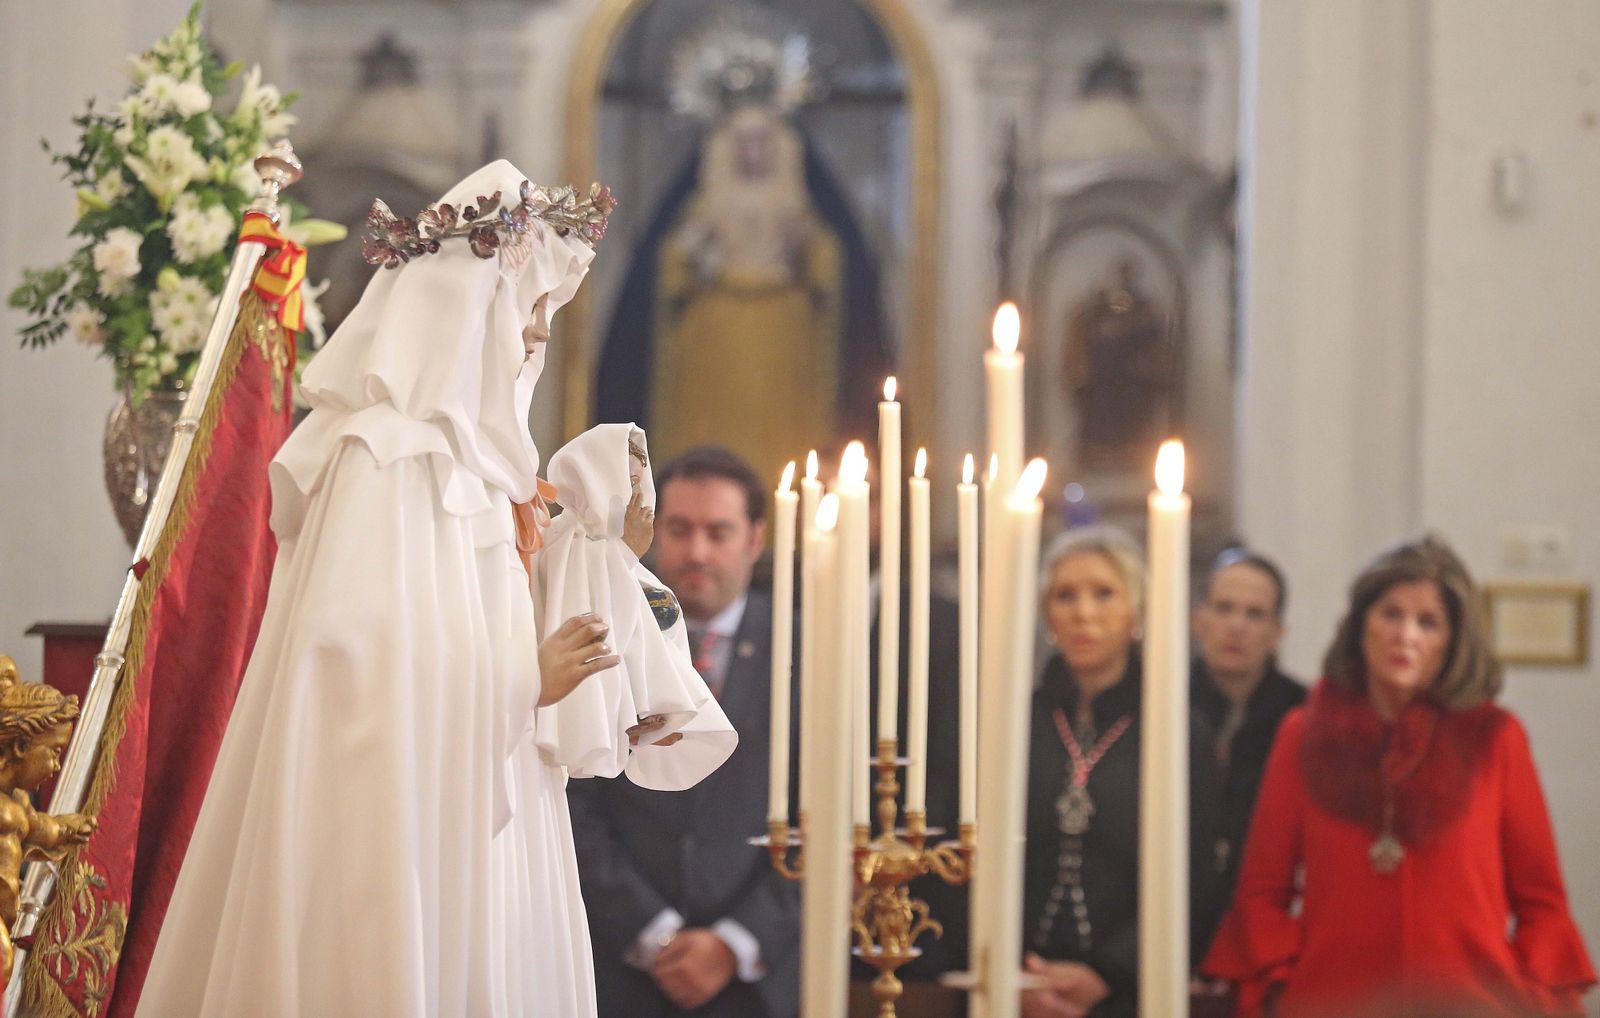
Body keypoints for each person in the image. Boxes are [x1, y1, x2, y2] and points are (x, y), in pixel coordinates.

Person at [135, 161, 693, 1018]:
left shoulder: (488, 476)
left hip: (490, 807)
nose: (538, 336)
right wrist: (520, 684)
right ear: (463, 311)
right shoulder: (387, 454)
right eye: (528, 309)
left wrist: (603, 561)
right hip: (399, 825)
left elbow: (486, 625)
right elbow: (346, 661)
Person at [1204, 536, 1596, 1017]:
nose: (1405, 636)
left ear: (1452, 640)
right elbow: (1262, 893)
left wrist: (1524, 995)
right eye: (1391, 614)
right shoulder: (1304, 733)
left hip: (1469, 1004)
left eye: (1428, 622)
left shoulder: (1496, 738)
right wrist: (1285, 985)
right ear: (1361, 625)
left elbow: (1542, 902)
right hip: (1333, 1002)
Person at [568, 445, 800, 1018]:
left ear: (755, 539)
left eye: (718, 532)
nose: (697, 552)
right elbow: (572, 793)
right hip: (615, 968)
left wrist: (734, 943)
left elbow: (836, 815)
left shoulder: (810, 647)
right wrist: (653, 934)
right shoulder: (597, 632)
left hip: (759, 980)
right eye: (678, 529)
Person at [1021, 525, 1223, 1018]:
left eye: (1104, 593)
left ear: (1137, 610)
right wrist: (1016, 972)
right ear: (1047, 612)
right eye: (1065, 595)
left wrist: (1108, 974)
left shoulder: (1175, 728)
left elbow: (1195, 875)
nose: (1083, 613)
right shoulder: (1019, 722)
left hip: (1129, 990)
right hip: (1020, 983)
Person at [1190, 548, 1305, 897]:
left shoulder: (1305, 715)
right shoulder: (1161, 705)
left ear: (1277, 632)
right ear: (1198, 620)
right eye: (1224, 608)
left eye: (1254, 614)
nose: (1236, 626)